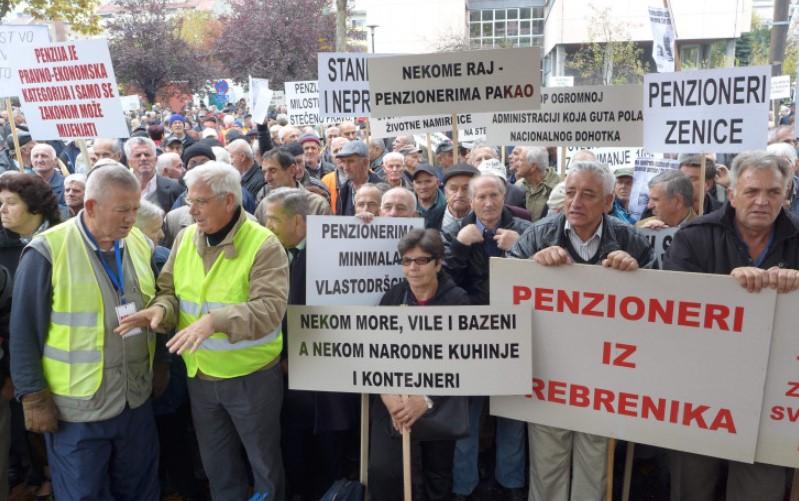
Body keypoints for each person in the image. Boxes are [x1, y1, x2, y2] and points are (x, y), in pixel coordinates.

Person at [118, 161, 289, 500]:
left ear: (229, 201)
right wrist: (159, 310)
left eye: (200, 201)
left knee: (263, 465)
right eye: (189, 200)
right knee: (217, 467)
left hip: (250, 378)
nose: (190, 209)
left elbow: (270, 309)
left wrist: (216, 322)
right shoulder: (183, 238)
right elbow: (169, 291)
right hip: (201, 377)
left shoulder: (263, 245)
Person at [10, 163, 161, 500]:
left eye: (135, 209)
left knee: (139, 490)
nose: (131, 219)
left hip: (134, 400)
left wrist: (161, 361)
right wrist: (33, 395)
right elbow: (23, 333)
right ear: (91, 207)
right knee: (83, 494)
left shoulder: (137, 242)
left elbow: (164, 295)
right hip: (76, 412)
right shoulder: (48, 251)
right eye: (123, 210)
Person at [509, 160, 653, 501]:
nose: (576, 202)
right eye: (571, 192)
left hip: (605, 378)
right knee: (547, 467)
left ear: (607, 202)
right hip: (549, 374)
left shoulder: (629, 238)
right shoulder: (539, 234)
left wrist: (638, 275)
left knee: (594, 466)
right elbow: (504, 289)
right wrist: (531, 269)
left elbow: (658, 307)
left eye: (588, 194)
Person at [663, 151, 799, 501]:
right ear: (732, 192)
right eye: (752, 191)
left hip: (773, 395)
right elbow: (670, 312)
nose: (762, 201)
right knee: (692, 485)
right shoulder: (693, 235)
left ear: (786, 195)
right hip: (700, 388)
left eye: (773, 192)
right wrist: (727, 288)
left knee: (760, 489)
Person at [264, 188, 357, 500]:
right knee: (296, 446)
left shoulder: (331, 253)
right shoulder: (274, 251)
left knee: (328, 450)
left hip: (324, 379)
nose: (268, 227)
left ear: (300, 223)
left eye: (274, 220)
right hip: (288, 375)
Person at [443, 173, 531, 501]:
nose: (488, 203)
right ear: (471, 199)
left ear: (504, 195)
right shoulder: (455, 231)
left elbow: (545, 280)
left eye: (494, 195)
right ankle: (462, 486)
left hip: (516, 332)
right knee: (467, 415)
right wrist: (461, 247)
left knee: (511, 414)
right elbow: (445, 284)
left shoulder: (525, 229)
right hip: (471, 334)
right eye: (481, 197)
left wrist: (519, 247)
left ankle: (511, 482)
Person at [370, 228, 470, 501]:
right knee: (391, 474)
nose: (413, 268)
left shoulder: (457, 301)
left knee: (437, 475)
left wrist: (425, 399)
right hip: (396, 404)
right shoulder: (392, 298)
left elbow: (463, 361)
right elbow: (373, 353)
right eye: (406, 261)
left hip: (439, 405)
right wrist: (389, 397)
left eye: (421, 261)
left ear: (438, 264)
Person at [254, 148, 332, 226]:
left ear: (292, 170)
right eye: (264, 172)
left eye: (273, 170)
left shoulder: (317, 206)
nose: (267, 178)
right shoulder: (263, 206)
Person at [124, 137, 183, 212]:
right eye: (138, 155)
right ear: (129, 162)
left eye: (147, 155)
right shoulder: (121, 188)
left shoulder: (175, 188)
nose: (143, 158)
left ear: (156, 160)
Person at [425, 164, 479, 232]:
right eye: (453, 189)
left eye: (466, 189)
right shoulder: (430, 218)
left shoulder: (485, 220)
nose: (459, 195)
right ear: (445, 192)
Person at [513, 146, 560, 222]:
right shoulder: (518, 185)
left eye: (521, 160)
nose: (516, 164)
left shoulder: (558, 189)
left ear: (533, 166)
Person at [336, 141, 382, 215]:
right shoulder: (343, 190)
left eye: (350, 161)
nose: (345, 167)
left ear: (366, 162)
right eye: (343, 161)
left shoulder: (382, 190)